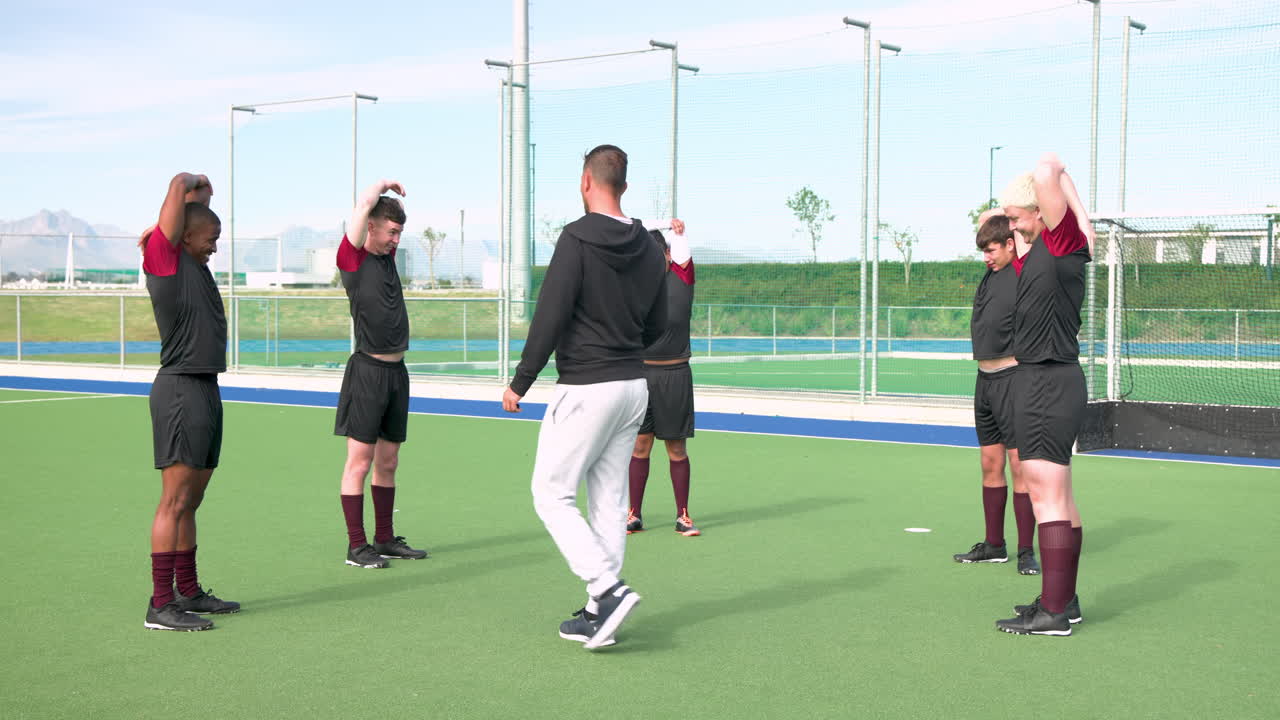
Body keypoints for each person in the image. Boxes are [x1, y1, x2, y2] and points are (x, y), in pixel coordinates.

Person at [502, 145, 669, 650]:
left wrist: (521, 381)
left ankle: (606, 590)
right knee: (609, 500)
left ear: (585, 181)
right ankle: (600, 614)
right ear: (624, 186)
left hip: (585, 387)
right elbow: (659, 323)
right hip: (633, 386)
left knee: (550, 494)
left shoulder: (575, 237)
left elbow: (550, 314)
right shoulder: (649, 246)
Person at [994, 153, 1094, 636]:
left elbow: (1048, 167)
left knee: (1046, 495)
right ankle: (1062, 600)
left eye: (1017, 218)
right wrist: (1023, 208)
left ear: (1042, 211)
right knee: (1060, 497)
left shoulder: (1062, 243)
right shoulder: (1051, 250)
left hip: (1046, 382)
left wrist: (1059, 181)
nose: (1011, 226)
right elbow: (1008, 213)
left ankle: (1053, 614)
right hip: (1050, 380)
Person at [139, 172, 240, 631]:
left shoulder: (195, 264)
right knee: (174, 501)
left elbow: (193, 207)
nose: (215, 247)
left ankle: (188, 590)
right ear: (184, 236)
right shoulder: (165, 261)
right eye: (211, 239)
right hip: (179, 390)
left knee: (192, 501)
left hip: (205, 389)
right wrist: (191, 181)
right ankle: (161, 604)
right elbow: (179, 188)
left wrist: (203, 195)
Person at [334, 179, 428, 569]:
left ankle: (385, 539)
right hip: (367, 373)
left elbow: (381, 226)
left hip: (396, 374)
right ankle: (357, 547)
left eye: (400, 233)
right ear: (370, 227)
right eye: (391, 232)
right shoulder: (352, 260)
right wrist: (380, 187)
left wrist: (391, 208)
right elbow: (361, 209)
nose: (396, 240)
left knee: (388, 462)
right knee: (360, 462)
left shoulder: (387, 259)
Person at [953, 214, 1039, 575]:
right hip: (985, 381)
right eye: (983, 252)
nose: (986, 257)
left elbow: (1022, 231)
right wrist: (994, 230)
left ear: (1010, 245)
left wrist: (1017, 227)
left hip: (1013, 380)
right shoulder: (990, 274)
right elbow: (988, 220)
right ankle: (994, 545)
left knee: (1020, 466)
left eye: (991, 250)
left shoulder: (1023, 271)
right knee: (990, 464)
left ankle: (1026, 551)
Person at [627, 218, 701, 537]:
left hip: (675, 375)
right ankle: (633, 514)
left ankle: (683, 515)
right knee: (639, 445)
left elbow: (678, 241)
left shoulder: (682, 277)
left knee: (676, 449)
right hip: (640, 375)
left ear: (669, 255)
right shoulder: (632, 285)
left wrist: (673, 229)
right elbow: (622, 227)